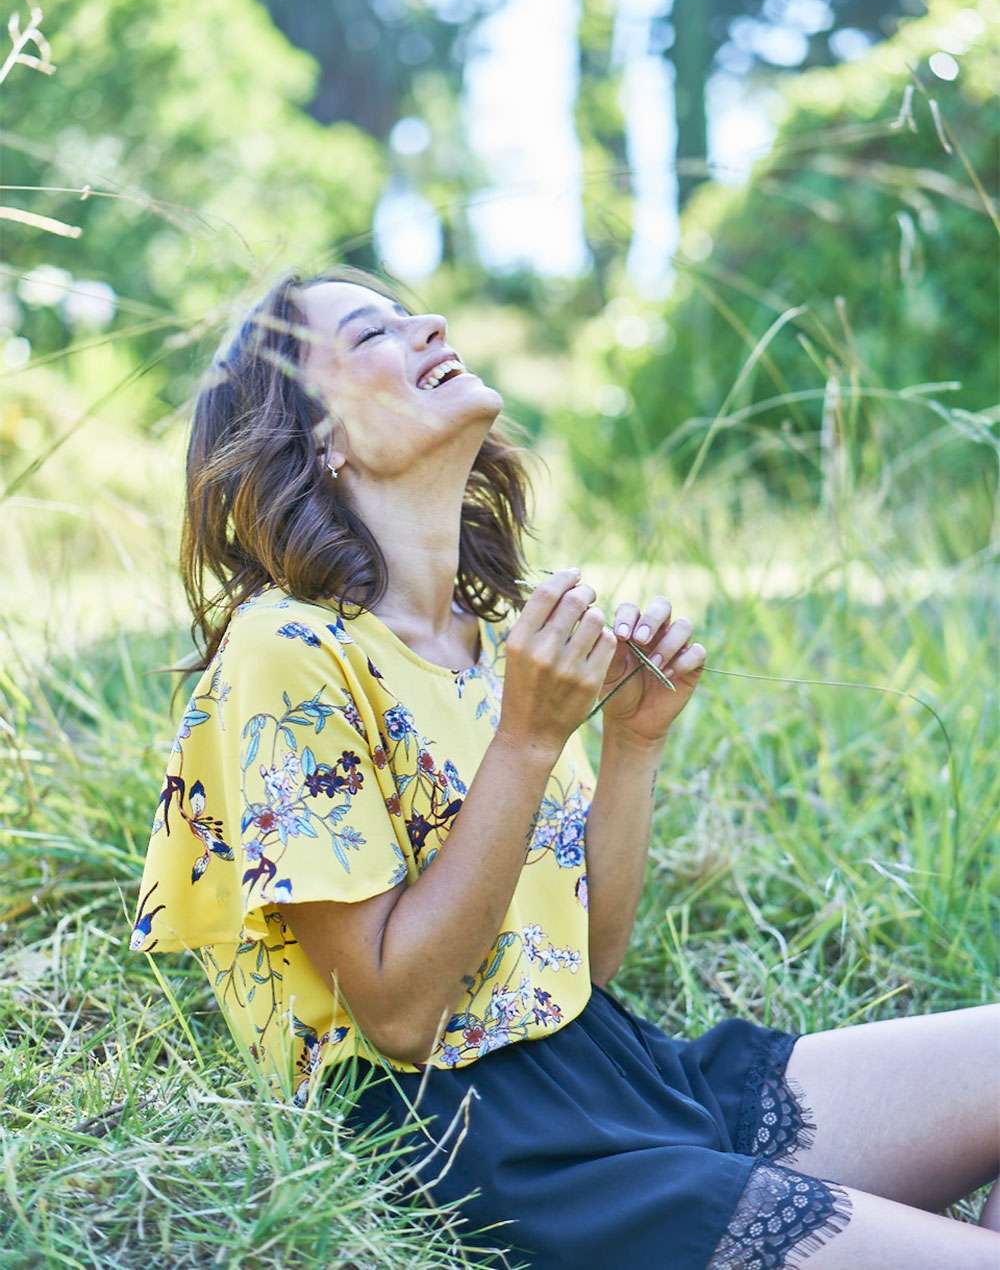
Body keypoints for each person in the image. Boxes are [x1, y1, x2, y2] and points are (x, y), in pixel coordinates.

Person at [129, 266, 1000, 1269]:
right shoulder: (286, 651)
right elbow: (402, 1013)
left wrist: (634, 743)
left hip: (615, 1072)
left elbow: (579, 960)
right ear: (317, 437)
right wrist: (529, 740)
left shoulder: (485, 637)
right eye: (374, 331)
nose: (429, 326)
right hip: (472, 1143)